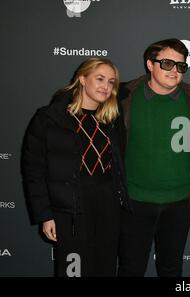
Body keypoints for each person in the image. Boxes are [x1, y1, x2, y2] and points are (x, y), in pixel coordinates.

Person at [22, 58, 129, 277]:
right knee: (74, 270)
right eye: (99, 79)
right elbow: (34, 170)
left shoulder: (111, 119)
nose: (106, 86)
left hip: (107, 206)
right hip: (69, 208)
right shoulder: (49, 118)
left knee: (105, 268)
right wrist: (45, 214)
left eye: (111, 82)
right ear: (82, 79)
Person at [117, 38, 190, 277]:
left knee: (171, 269)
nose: (175, 71)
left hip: (178, 204)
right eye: (167, 63)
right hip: (135, 202)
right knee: (130, 269)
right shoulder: (123, 95)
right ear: (149, 64)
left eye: (180, 65)